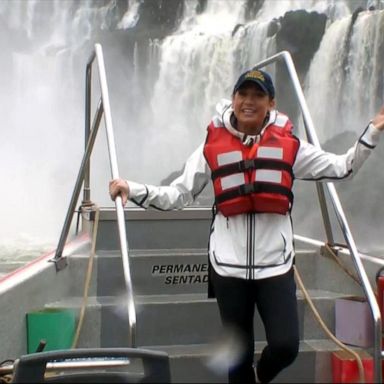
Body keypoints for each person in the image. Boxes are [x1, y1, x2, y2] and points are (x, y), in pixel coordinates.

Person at [110, 68, 384, 383]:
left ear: (271, 103)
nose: (249, 102)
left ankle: (257, 376)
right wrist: (133, 190)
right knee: (237, 357)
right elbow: (178, 194)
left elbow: (342, 167)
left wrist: (372, 132)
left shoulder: (290, 145)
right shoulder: (210, 147)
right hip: (228, 269)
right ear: (233, 99)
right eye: (244, 94)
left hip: (275, 266)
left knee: (285, 346)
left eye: (258, 95)